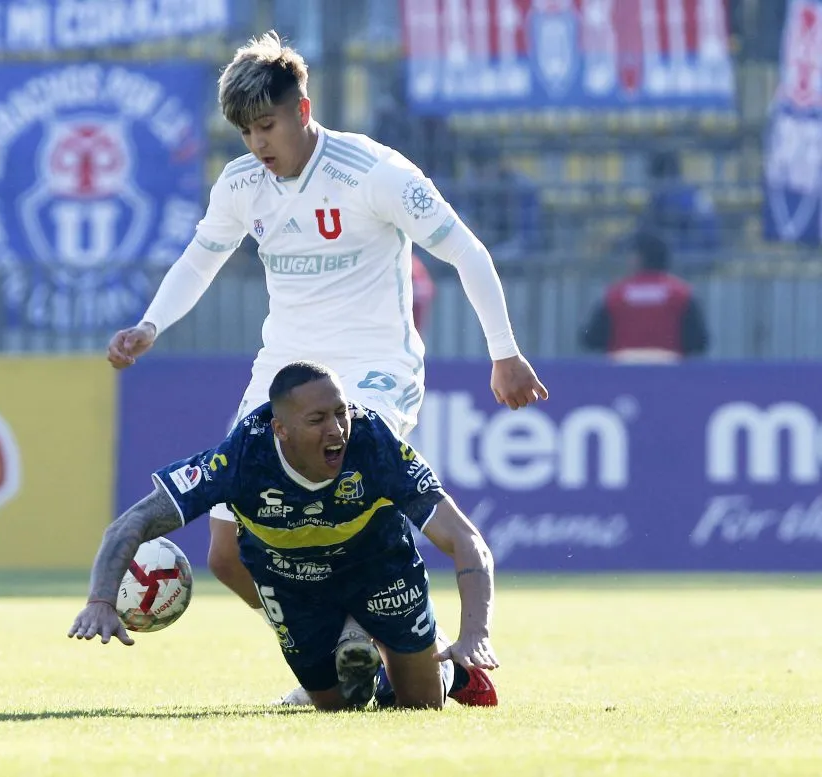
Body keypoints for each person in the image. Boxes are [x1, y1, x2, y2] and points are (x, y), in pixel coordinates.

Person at [106, 31, 547, 701]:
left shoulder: (373, 172)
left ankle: (410, 654)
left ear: (303, 110)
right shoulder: (243, 184)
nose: (257, 142)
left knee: (342, 505)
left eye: (267, 124)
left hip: (374, 368)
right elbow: (201, 258)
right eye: (245, 131)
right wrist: (150, 324)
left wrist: (504, 352)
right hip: (282, 371)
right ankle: (343, 647)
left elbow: (467, 251)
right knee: (226, 554)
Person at [69, 361, 500, 710]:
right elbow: (132, 523)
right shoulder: (241, 458)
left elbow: (467, 541)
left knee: (421, 706)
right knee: (335, 707)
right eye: (318, 419)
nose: (337, 429)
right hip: (292, 585)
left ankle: (445, 668)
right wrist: (101, 600)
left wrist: (475, 634)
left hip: (379, 570)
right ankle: (372, 661)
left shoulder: (374, 444)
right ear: (281, 430)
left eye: (340, 412)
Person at [579, 231, 710, 362]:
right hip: (669, 370)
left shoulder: (616, 295)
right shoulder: (682, 294)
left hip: (622, 370)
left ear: (638, 258)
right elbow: (698, 342)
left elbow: (592, 339)